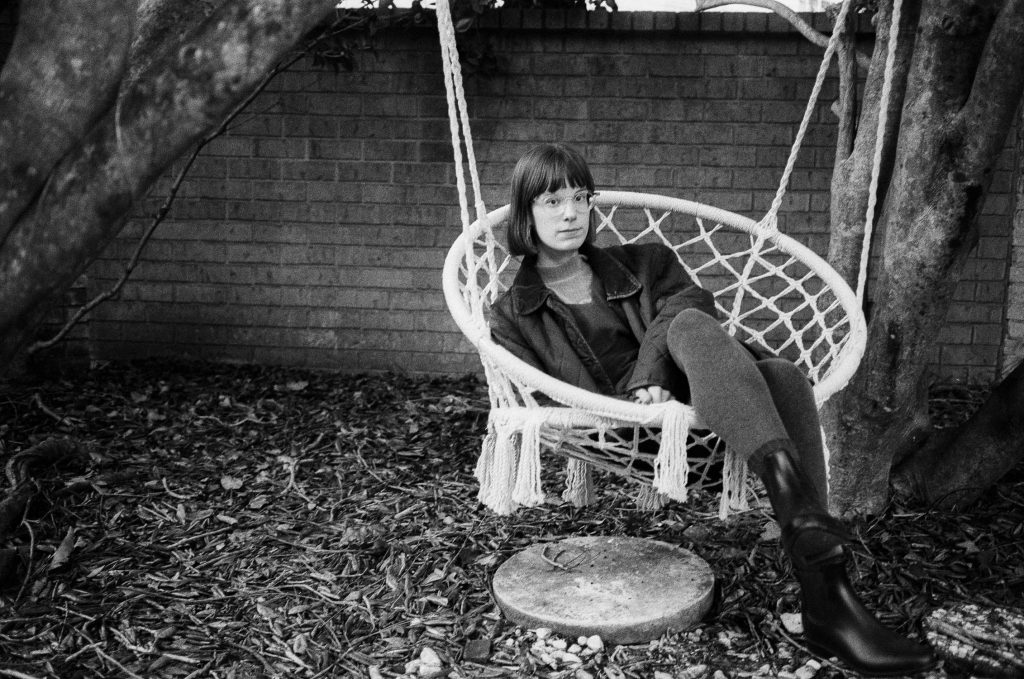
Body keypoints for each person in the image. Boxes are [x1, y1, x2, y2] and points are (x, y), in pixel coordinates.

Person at [489, 143, 937, 677]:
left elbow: (693, 304)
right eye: (552, 200)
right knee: (772, 371)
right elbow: (542, 397)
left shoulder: (645, 261)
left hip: (711, 399)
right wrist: (632, 405)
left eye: (580, 198)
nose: (570, 213)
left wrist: (650, 374)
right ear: (524, 213)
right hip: (631, 430)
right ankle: (822, 571)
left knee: (769, 366)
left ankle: (822, 578)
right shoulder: (512, 314)